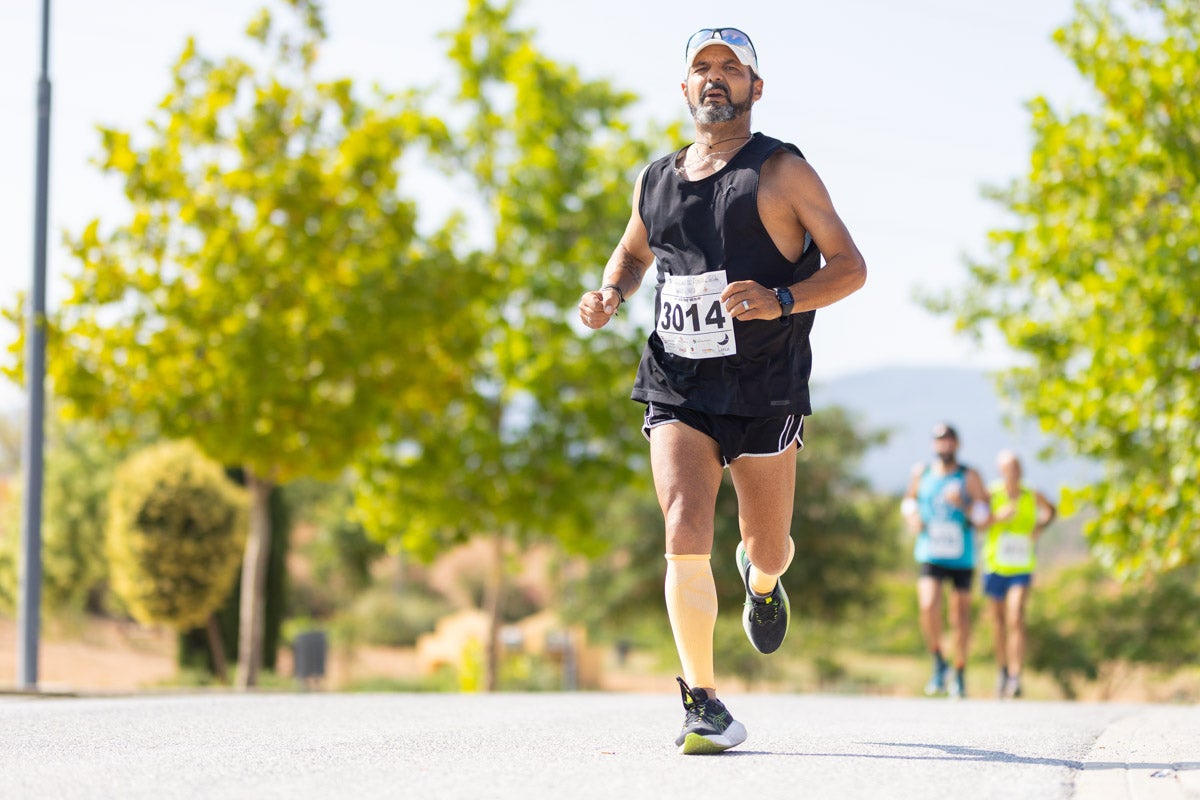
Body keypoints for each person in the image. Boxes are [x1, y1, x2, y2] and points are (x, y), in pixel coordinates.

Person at [578, 27, 866, 754]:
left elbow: (850, 267)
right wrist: (611, 292)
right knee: (682, 527)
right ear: (684, 89)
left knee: (767, 546)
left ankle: (762, 580)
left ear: (754, 88)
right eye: (701, 68)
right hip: (678, 382)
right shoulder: (655, 179)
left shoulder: (783, 172)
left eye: (730, 68)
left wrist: (781, 298)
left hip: (765, 385)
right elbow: (632, 250)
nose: (715, 78)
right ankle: (701, 702)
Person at [901, 423, 991, 699]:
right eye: (939, 440)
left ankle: (960, 671)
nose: (944, 445)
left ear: (957, 444)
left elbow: (984, 515)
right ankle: (938, 661)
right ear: (933, 445)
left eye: (949, 440)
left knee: (960, 617)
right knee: (928, 605)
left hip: (961, 555)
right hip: (931, 551)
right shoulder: (922, 472)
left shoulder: (969, 475)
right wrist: (912, 517)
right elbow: (909, 501)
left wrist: (962, 505)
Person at [983, 449, 1056, 699]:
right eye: (1008, 467)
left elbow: (1051, 511)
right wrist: (996, 517)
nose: (1013, 471)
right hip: (995, 565)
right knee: (998, 622)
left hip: (1022, 566)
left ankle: (1015, 675)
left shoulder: (1031, 493)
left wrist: (1040, 526)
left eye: (1017, 466)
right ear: (1000, 471)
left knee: (1016, 616)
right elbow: (977, 520)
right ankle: (1002, 670)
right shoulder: (991, 494)